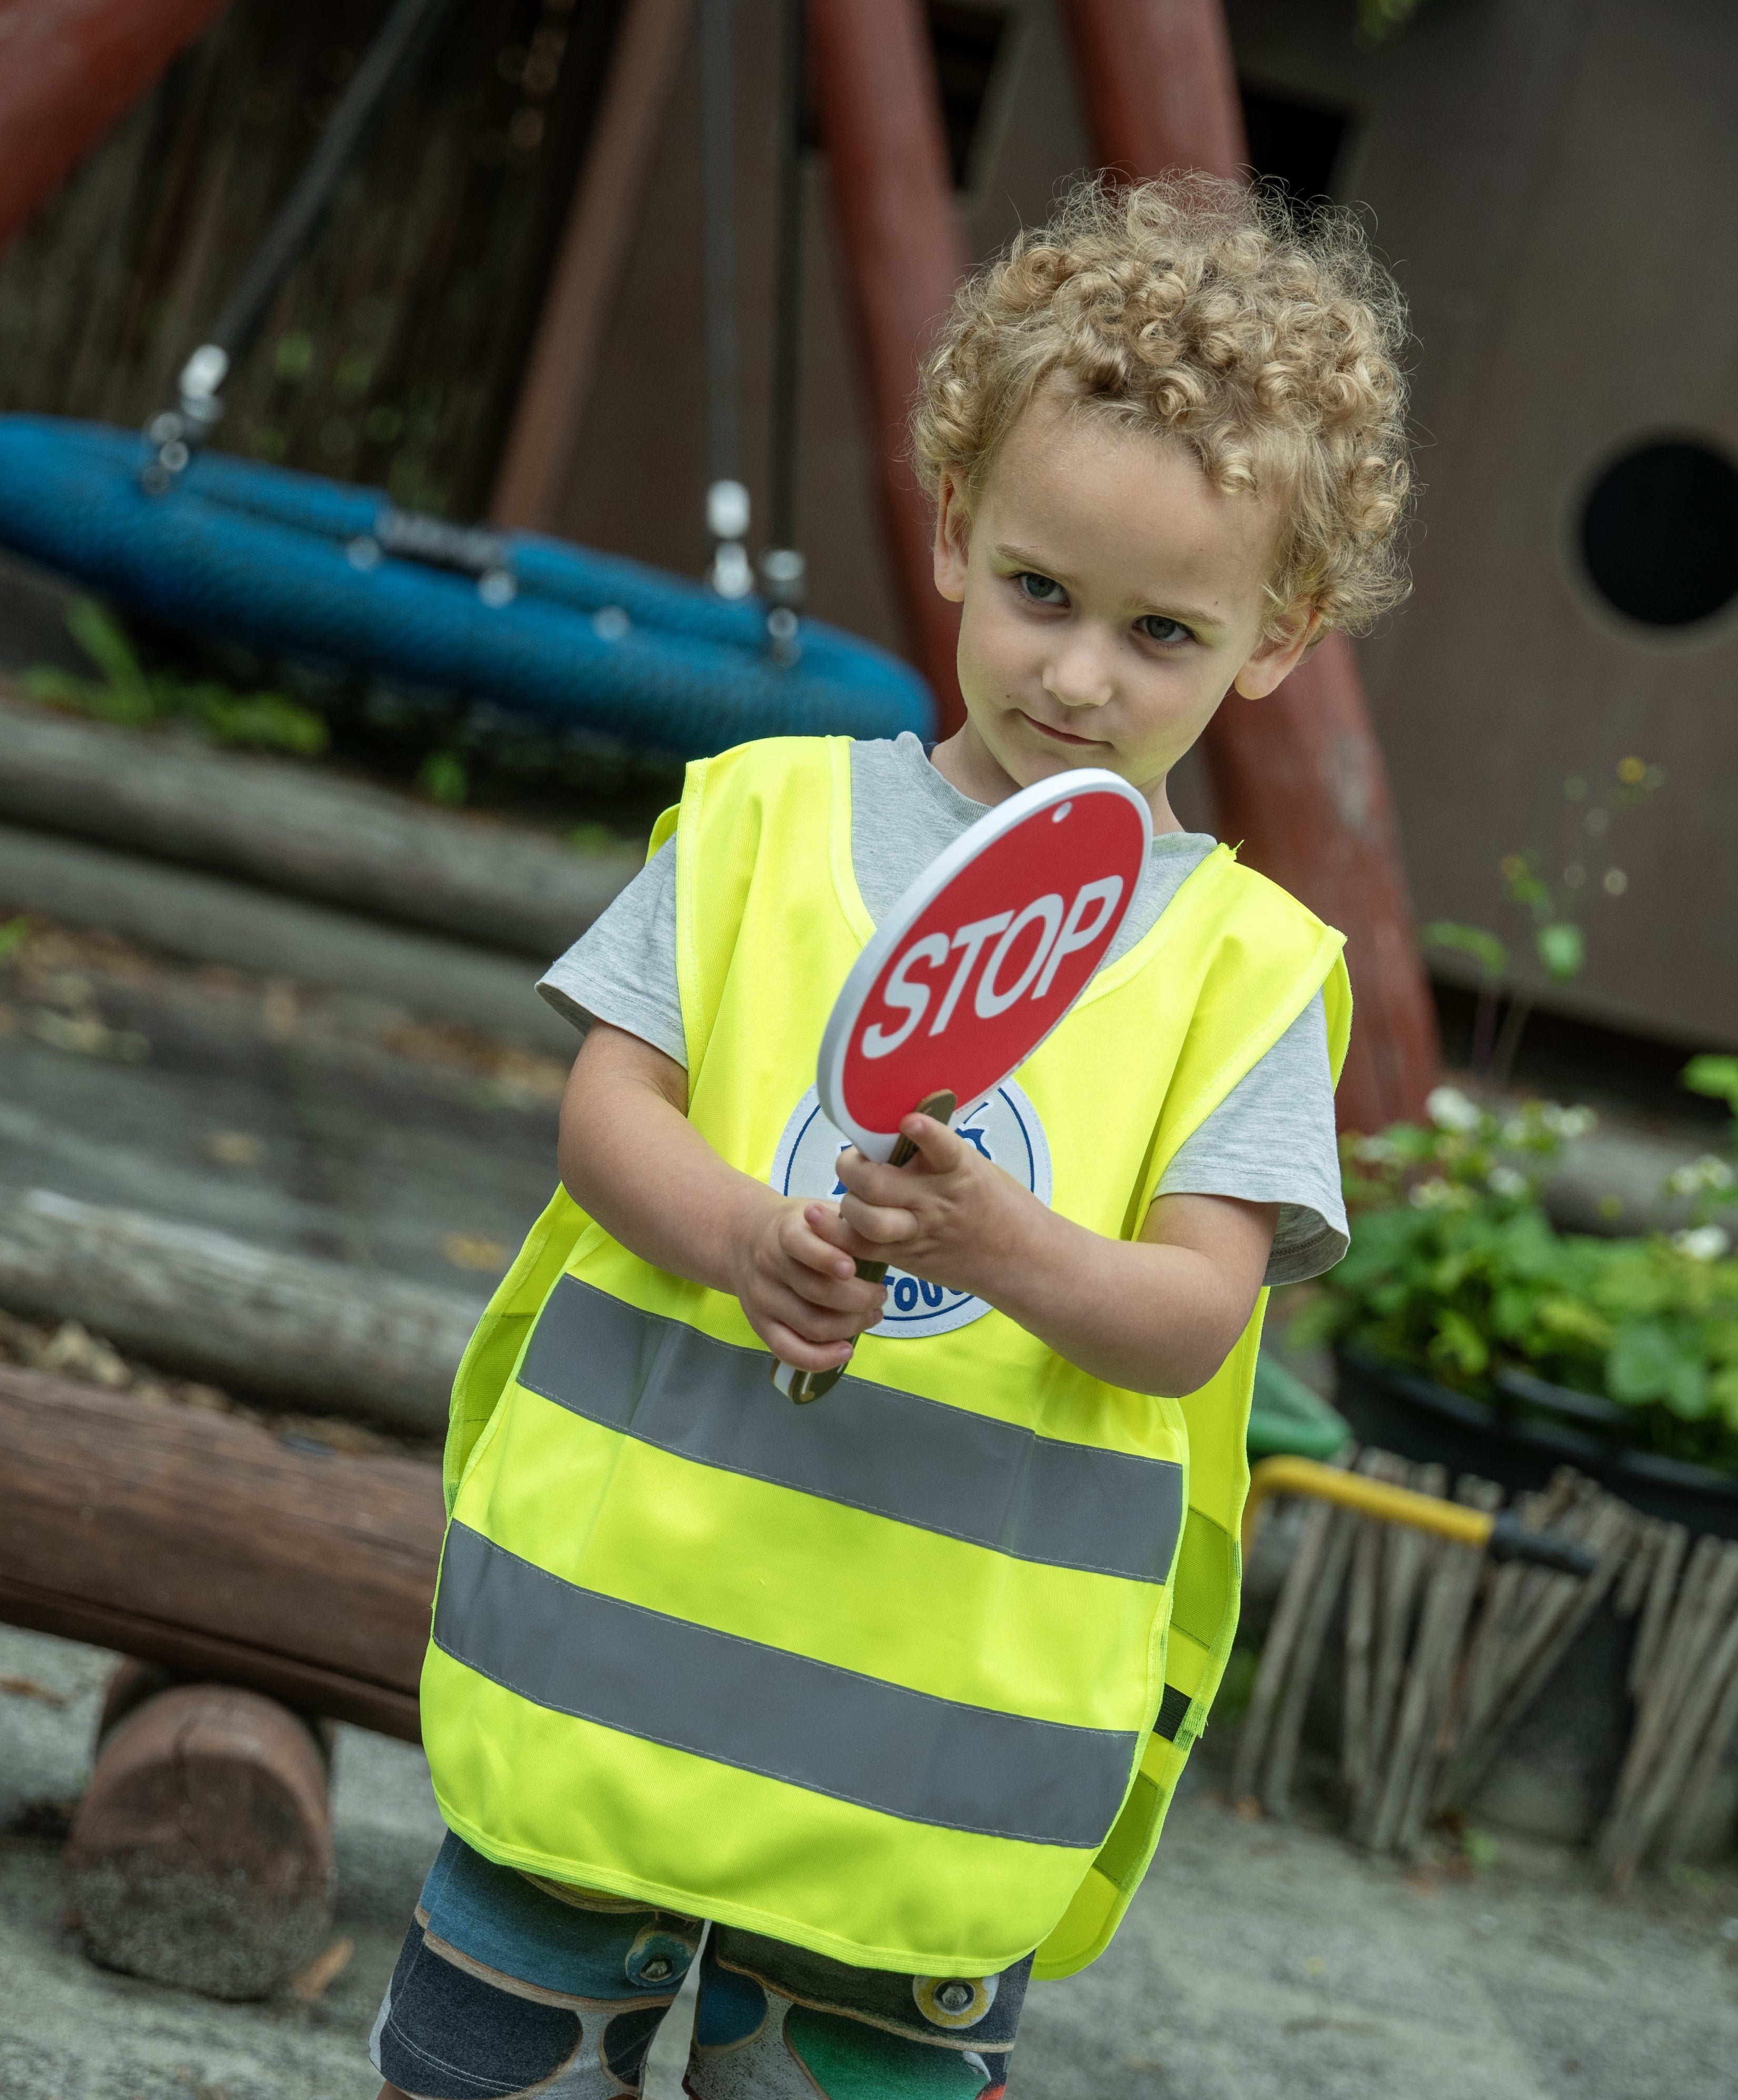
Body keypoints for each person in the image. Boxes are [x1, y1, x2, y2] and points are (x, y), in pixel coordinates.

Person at [371, 173, 1412, 2100]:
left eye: (1164, 631)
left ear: (1280, 639)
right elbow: (610, 1106)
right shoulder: (764, 822)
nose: (1080, 676)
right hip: (619, 1659)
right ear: (951, 532)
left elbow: (1197, 1317)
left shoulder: (1240, 971)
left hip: (938, 1756)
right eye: (1039, 592)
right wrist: (740, 1230)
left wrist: (1004, 1247)